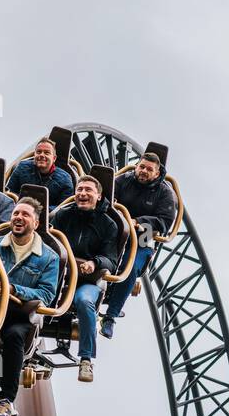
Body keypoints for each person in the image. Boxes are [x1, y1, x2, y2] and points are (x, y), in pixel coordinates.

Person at [0, 197, 60, 416]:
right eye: (16, 214)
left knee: (13, 336)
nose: (18, 217)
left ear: (36, 224)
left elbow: (47, 295)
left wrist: (13, 290)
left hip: (18, 313)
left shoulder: (49, 257)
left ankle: (6, 399)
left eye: (25, 214)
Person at [49, 175, 120, 383]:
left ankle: (86, 359)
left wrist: (95, 263)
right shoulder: (63, 216)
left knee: (84, 301)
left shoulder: (108, 225)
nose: (83, 194)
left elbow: (111, 260)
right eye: (79, 189)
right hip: (60, 276)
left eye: (88, 190)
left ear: (98, 196)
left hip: (88, 281)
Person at [101, 152, 178, 338]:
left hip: (144, 237)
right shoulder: (123, 180)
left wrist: (139, 221)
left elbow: (165, 222)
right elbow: (105, 198)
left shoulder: (165, 193)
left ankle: (110, 317)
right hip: (117, 231)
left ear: (157, 172)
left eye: (149, 169)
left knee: (131, 266)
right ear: (137, 166)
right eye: (141, 167)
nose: (143, 171)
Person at [7, 137, 74, 205]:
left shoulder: (65, 179)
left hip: (49, 214)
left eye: (46, 153)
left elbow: (63, 207)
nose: (42, 155)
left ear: (54, 158)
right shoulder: (22, 167)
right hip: (20, 210)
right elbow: (9, 192)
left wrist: (40, 209)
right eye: (39, 152)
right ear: (34, 155)